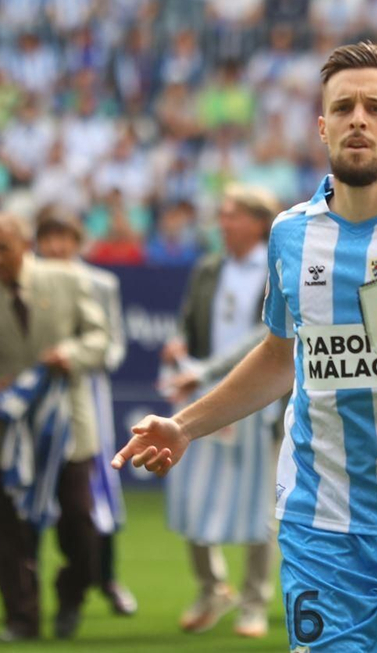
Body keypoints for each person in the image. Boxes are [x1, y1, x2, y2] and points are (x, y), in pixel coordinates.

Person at [115, 41, 377, 653]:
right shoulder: (292, 234)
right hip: (320, 519)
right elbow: (281, 356)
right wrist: (185, 426)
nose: (359, 120)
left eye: (376, 108)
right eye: (343, 107)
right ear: (322, 126)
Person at [0, 214, 112, 643]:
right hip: (4, 437)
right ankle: (21, 617)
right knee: (8, 534)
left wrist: (71, 355)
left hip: (67, 432)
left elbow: (99, 339)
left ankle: (71, 594)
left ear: (25, 245)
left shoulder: (69, 281)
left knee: (81, 526)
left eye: (2, 248)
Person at [156, 184, 281, 638]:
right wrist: (179, 346)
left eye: (232, 215)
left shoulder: (277, 267)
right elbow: (188, 321)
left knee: (260, 505)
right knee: (193, 493)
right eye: (223, 214)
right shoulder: (209, 268)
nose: (223, 222)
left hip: (261, 400)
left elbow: (268, 337)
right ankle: (212, 589)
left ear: (257, 222)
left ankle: (254, 601)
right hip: (204, 398)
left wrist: (208, 370)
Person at [32, 212, 139, 618]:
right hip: (37, 393)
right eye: (48, 238)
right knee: (38, 488)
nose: (56, 247)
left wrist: (84, 359)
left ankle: (107, 578)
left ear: (78, 242)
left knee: (99, 486)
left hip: (86, 393)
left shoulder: (100, 283)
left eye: (64, 238)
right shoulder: (28, 281)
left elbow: (113, 342)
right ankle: (30, 589)